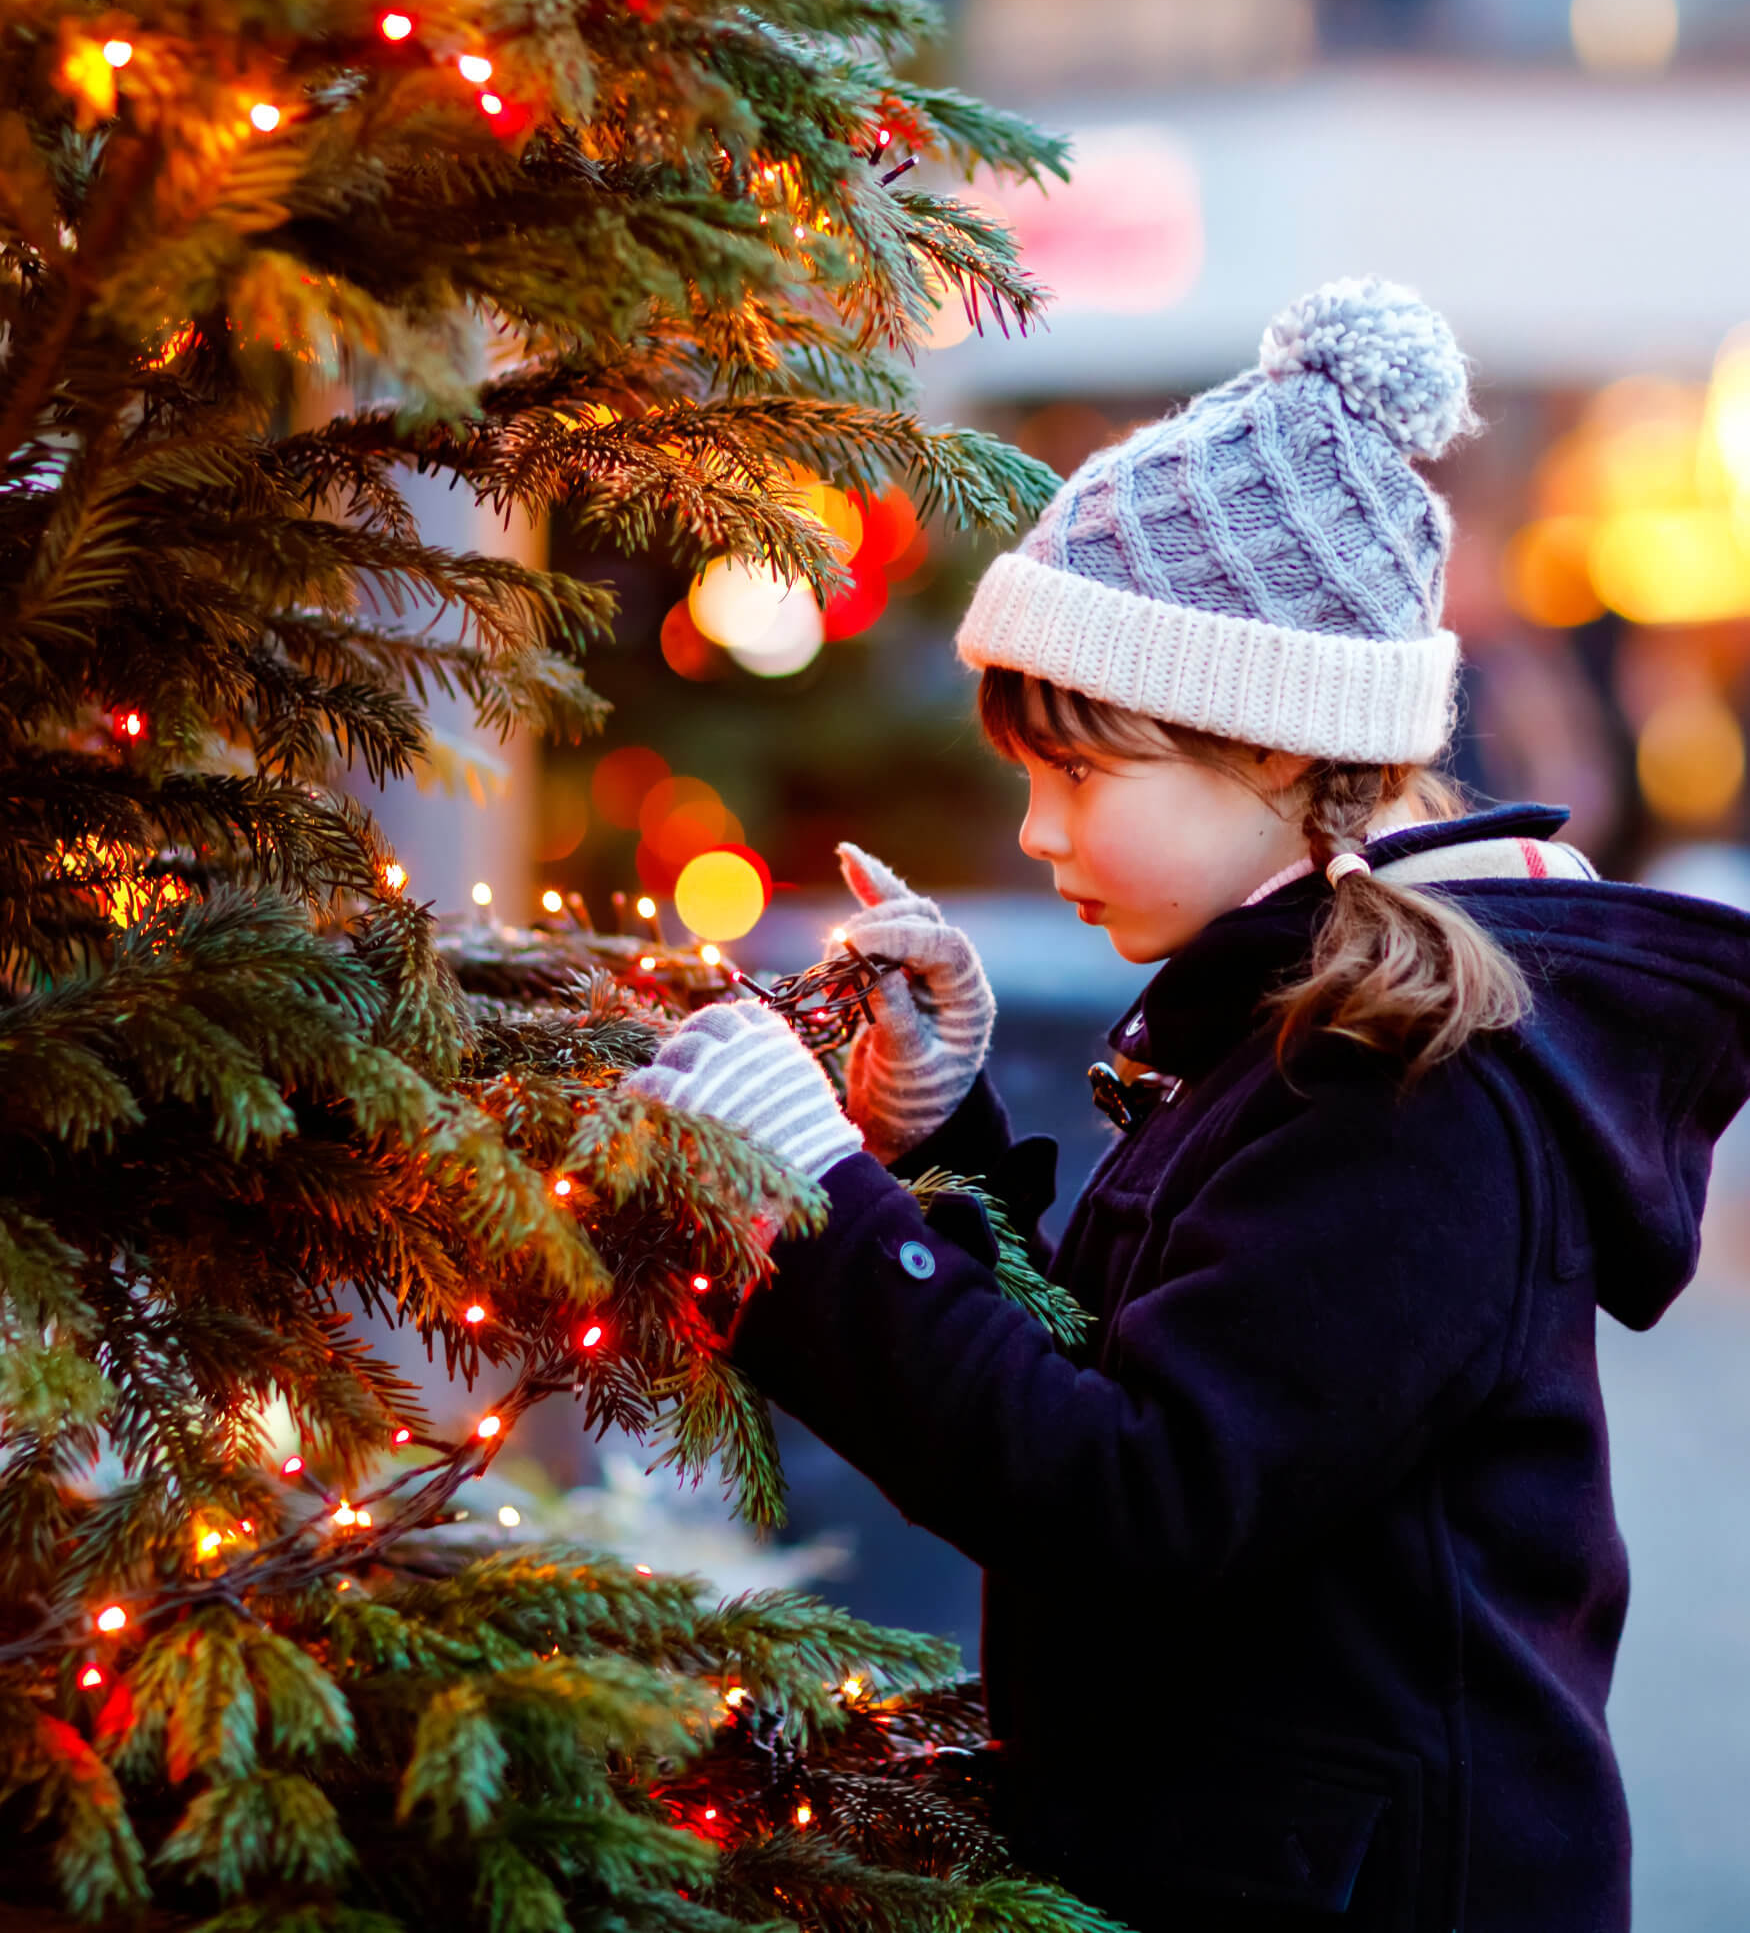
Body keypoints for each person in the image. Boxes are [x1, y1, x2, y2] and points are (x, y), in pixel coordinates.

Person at [619, 278, 1750, 1932]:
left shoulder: (1416, 1094)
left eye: (1079, 771)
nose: (1036, 832)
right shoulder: (1292, 1021)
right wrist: (934, 1145)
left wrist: (812, 1202)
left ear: (1276, 751)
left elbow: (1129, 1497)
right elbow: (1131, 1369)